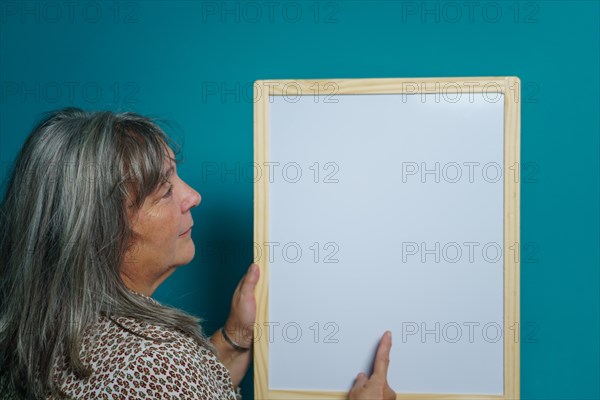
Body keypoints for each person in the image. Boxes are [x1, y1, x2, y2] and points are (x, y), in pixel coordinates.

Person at [0, 108, 396, 399]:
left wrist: (236, 337)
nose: (193, 196)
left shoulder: (42, 335)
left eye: (177, 176)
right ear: (104, 231)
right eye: (164, 191)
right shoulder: (159, 362)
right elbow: (164, 378)